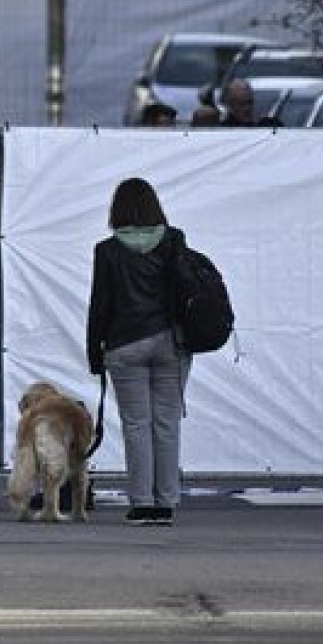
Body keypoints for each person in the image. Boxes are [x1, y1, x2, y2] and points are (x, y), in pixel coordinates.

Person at [87, 178, 191, 527]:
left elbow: (100, 306)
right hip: (170, 343)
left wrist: (94, 353)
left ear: (116, 210)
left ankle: (142, 503)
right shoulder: (174, 240)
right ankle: (166, 502)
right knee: (167, 423)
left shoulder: (108, 250)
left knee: (136, 425)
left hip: (124, 345)